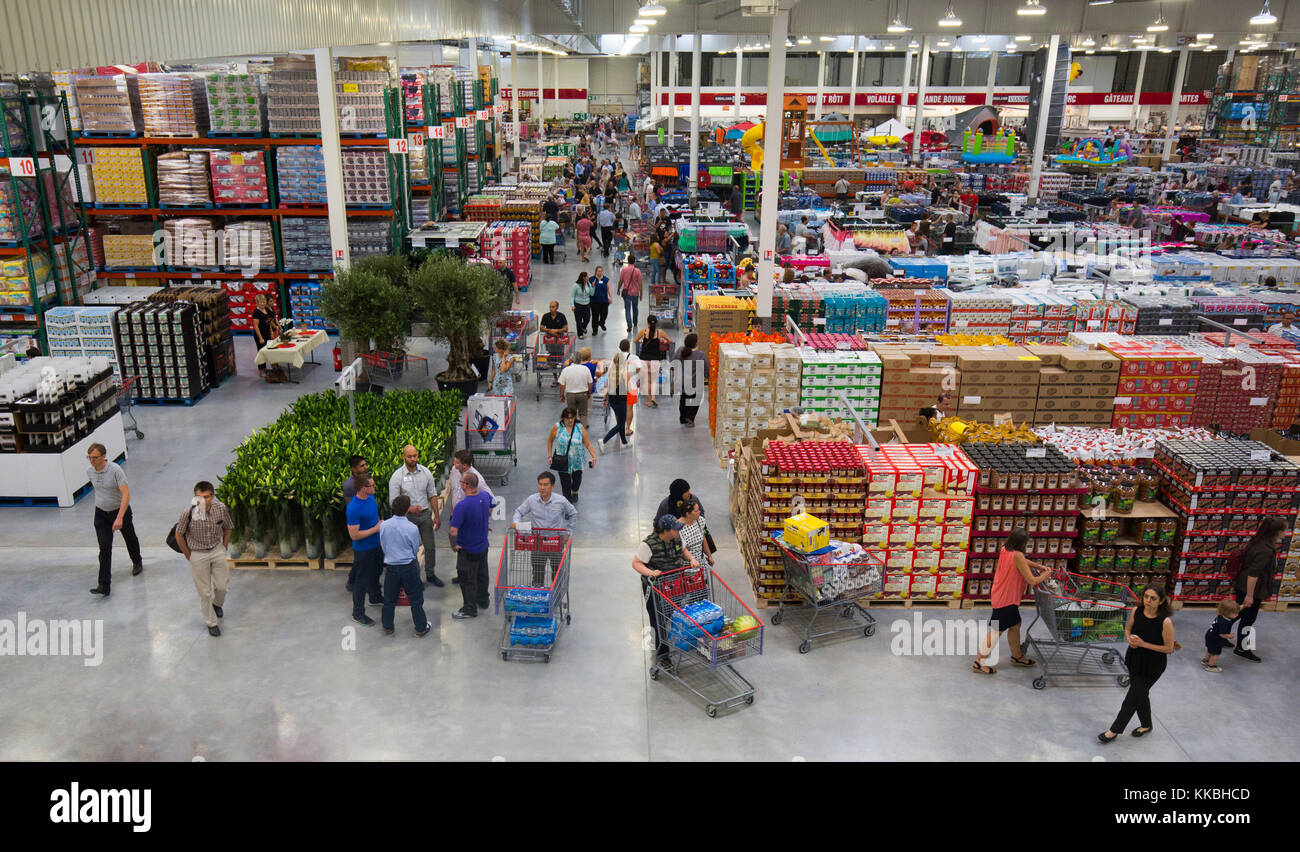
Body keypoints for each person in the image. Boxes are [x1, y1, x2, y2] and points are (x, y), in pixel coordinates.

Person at [1098, 585, 1175, 743]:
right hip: (1134, 658)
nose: (1148, 600)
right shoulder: (1136, 611)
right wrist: (1129, 639)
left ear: (1161, 601)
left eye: (1153, 598)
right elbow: (1128, 630)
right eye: (1146, 596)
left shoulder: (1165, 621)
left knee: (1131, 698)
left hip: (1153, 666)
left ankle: (1114, 731)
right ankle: (1146, 724)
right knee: (1141, 694)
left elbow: (1169, 648)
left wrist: (1143, 644)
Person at [972, 528, 1053, 674]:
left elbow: (1022, 561)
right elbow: (1032, 580)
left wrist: (1038, 566)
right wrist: (1045, 575)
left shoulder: (1005, 548)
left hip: (1001, 593)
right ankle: (979, 661)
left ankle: (1017, 656)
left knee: (1015, 624)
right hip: (1006, 599)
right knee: (997, 631)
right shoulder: (1018, 555)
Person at [634, 514, 701, 668]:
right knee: (657, 620)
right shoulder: (649, 544)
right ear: (665, 530)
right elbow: (636, 563)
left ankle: (664, 637)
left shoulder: (677, 538)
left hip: (674, 585)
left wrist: (691, 559)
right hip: (655, 588)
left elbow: (683, 551)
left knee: (668, 615)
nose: (679, 531)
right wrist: (650, 573)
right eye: (675, 529)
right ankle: (662, 654)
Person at [174, 480, 233, 637]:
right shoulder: (188, 513)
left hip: (216, 549)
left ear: (212, 496)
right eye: (198, 497)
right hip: (197, 554)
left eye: (206, 497)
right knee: (205, 593)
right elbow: (178, 535)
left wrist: (224, 546)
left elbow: (228, 527)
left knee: (222, 586)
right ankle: (211, 623)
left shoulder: (221, 509)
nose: (202, 500)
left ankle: (217, 604)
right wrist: (189, 555)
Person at [87, 442, 143, 596]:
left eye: (95, 457)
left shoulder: (115, 471)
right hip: (101, 514)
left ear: (104, 456)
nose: (92, 461)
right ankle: (104, 585)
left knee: (129, 537)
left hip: (120, 511)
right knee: (104, 548)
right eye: (89, 457)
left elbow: (126, 494)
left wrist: (119, 517)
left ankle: (137, 560)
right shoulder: (89, 471)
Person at [1232, 515, 1287, 662]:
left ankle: (1218, 633)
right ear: (1277, 532)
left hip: (1243, 584)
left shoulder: (1258, 541)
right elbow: (1253, 574)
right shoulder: (1265, 550)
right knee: (1248, 618)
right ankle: (1242, 648)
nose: (1286, 533)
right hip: (1252, 589)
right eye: (1284, 530)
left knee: (1236, 612)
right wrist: (1250, 595)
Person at [388, 445, 444, 587]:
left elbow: (432, 495)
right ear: (403, 457)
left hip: (425, 515)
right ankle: (415, 578)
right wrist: (410, 509)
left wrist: (437, 516)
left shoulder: (425, 473)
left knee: (430, 547)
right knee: (411, 550)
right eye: (409, 456)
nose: (413, 459)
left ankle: (430, 574)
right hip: (407, 518)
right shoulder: (397, 477)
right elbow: (393, 502)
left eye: (415, 456)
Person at [378, 494, 431, 638]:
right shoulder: (412, 527)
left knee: (389, 599)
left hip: (391, 567)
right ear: (408, 509)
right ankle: (421, 627)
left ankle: (388, 626)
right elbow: (414, 549)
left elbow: (382, 544)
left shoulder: (384, 525)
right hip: (408, 567)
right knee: (415, 599)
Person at [449, 472, 494, 620]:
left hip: (468, 549)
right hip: (483, 546)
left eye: (461, 482)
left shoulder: (462, 506)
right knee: (482, 574)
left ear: (465, 485)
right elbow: (490, 508)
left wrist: (454, 545)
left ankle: (469, 609)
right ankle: (483, 600)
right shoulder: (485, 497)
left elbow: (453, 530)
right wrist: (484, 522)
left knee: (467, 579)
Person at [345, 474, 384, 625]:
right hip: (363, 550)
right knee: (361, 583)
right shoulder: (353, 508)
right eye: (372, 486)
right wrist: (375, 529)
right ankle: (358, 613)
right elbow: (354, 535)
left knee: (377, 571)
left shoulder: (371, 498)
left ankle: (375, 597)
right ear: (363, 488)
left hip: (376, 545)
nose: (374, 488)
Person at [546, 406, 596, 503]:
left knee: (576, 481)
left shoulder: (579, 427)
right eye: (567, 418)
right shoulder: (557, 427)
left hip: (577, 461)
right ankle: (568, 506)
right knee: (565, 485)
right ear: (563, 418)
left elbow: (588, 443)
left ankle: (575, 491)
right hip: (562, 460)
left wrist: (594, 456)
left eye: (572, 417)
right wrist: (549, 455)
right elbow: (549, 441)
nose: (570, 420)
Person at [512, 471, 578, 531]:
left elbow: (573, 513)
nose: (542, 488)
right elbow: (519, 511)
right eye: (540, 484)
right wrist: (516, 522)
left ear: (552, 486)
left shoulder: (561, 501)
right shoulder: (532, 499)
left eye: (545, 485)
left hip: (555, 539)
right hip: (536, 538)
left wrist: (569, 531)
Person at [602, 338, 633, 451]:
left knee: (620, 421)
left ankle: (624, 442)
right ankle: (604, 440)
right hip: (621, 399)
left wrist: (604, 399)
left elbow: (607, 384)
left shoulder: (611, 369)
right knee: (621, 424)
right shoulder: (625, 371)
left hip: (612, 398)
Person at [634, 314, 670, 407]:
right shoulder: (660, 332)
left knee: (646, 381)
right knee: (654, 381)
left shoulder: (643, 332)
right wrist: (664, 341)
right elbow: (670, 340)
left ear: (647, 323)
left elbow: (635, 340)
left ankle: (648, 400)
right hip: (655, 360)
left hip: (644, 359)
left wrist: (641, 341)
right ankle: (653, 398)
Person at [1202, 598, 1241, 673]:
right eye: (1235, 613)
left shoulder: (1221, 616)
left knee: (1210, 649)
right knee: (1216, 653)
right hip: (1216, 639)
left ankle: (1206, 660)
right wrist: (1230, 636)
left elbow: (1234, 610)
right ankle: (1211, 666)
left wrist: (1242, 606)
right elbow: (1222, 635)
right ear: (1227, 612)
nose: (1237, 614)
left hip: (1210, 635)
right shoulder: (1224, 623)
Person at [252, 293, 283, 382]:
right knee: (261, 352)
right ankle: (261, 370)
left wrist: (271, 333)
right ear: (257, 303)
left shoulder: (266, 310)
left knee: (269, 350)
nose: (262, 304)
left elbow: (269, 322)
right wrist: (260, 338)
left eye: (264, 302)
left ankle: (273, 365)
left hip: (267, 334)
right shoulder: (256, 312)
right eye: (261, 302)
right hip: (260, 335)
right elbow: (256, 326)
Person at [677, 332, 707, 427]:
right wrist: (708, 376)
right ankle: (690, 417)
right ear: (696, 343)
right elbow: (706, 368)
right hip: (695, 383)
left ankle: (683, 417)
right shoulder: (700, 354)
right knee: (696, 399)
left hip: (682, 382)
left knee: (683, 398)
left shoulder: (680, 351)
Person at [559, 353, 594, 428]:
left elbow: (562, 385)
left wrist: (561, 395)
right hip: (583, 394)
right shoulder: (585, 369)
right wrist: (589, 393)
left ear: (571, 360)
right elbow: (590, 383)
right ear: (580, 359)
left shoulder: (566, 370)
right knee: (583, 414)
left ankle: (572, 432)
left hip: (570, 395)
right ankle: (583, 432)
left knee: (571, 415)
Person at [677, 497, 713, 567]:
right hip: (686, 565)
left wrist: (709, 556)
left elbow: (703, 539)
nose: (699, 512)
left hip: (701, 562)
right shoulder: (677, 528)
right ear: (688, 514)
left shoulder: (700, 520)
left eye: (699, 509)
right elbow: (681, 549)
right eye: (696, 511)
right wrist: (692, 559)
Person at [618, 252, 643, 332]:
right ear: (634, 261)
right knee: (635, 308)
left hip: (627, 293)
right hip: (635, 293)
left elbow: (621, 281)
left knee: (627, 309)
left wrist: (618, 289)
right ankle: (635, 322)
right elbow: (640, 283)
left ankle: (629, 325)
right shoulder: (637, 271)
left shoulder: (624, 270)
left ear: (628, 261)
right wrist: (641, 294)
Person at [589, 265, 611, 334]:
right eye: (598, 271)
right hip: (594, 301)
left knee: (604, 314)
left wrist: (610, 297)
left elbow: (609, 288)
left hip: (604, 301)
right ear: (596, 272)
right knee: (595, 316)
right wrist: (592, 285)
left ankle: (601, 323)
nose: (600, 272)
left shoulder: (605, 279)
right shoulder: (591, 279)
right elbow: (589, 290)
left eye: (601, 271)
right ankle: (595, 330)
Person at [571, 271, 593, 339]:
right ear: (583, 278)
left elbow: (592, 294)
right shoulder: (576, 285)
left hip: (587, 304)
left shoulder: (588, 284)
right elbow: (572, 296)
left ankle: (583, 327)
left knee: (587, 318)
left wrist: (593, 287)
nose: (588, 277)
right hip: (578, 304)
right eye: (587, 276)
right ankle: (580, 334)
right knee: (578, 320)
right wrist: (572, 305)